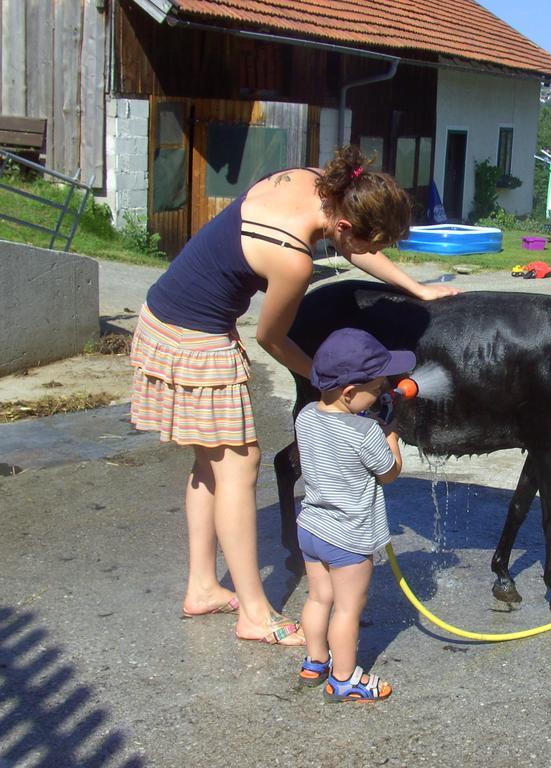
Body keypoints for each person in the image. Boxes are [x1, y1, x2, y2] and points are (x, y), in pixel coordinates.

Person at [129, 145, 457, 646]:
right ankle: (256, 615)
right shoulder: (292, 259)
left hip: (164, 314)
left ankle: (201, 586)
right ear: (347, 224)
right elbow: (272, 339)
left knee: (208, 464)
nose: (365, 249)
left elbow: (353, 245)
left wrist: (417, 288)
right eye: (367, 240)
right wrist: (333, 388)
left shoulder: (315, 184)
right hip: (195, 338)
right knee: (240, 464)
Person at [294, 328, 410, 702]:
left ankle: (315, 662)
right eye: (376, 388)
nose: (380, 393)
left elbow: (334, 439)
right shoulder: (366, 433)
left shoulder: (307, 416)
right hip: (349, 538)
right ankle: (345, 679)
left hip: (312, 528)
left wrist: (370, 417)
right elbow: (389, 472)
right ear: (349, 393)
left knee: (318, 599)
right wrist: (389, 431)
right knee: (347, 609)